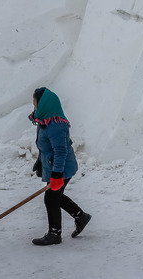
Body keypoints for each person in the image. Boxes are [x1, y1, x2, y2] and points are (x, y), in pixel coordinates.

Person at [28, 87, 91, 245]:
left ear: (44, 104)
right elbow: (46, 146)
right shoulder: (45, 119)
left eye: (36, 103)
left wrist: (56, 175)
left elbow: (60, 151)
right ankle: (81, 217)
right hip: (54, 165)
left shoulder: (55, 124)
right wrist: (40, 160)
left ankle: (54, 234)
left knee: (51, 198)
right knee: (56, 196)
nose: (34, 106)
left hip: (62, 167)